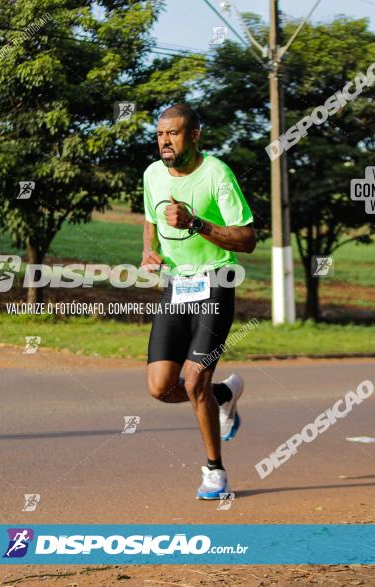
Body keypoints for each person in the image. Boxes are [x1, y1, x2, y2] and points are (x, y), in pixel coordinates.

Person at [142, 103, 256, 500]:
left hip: (215, 285)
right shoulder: (153, 175)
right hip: (176, 287)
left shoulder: (216, 174)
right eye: (160, 134)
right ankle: (225, 395)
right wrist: (148, 251)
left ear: (194, 135)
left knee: (193, 383)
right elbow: (150, 218)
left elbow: (247, 238)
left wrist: (195, 223)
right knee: (159, 387)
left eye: (173, 133)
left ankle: (216, 471)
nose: (165, 141)